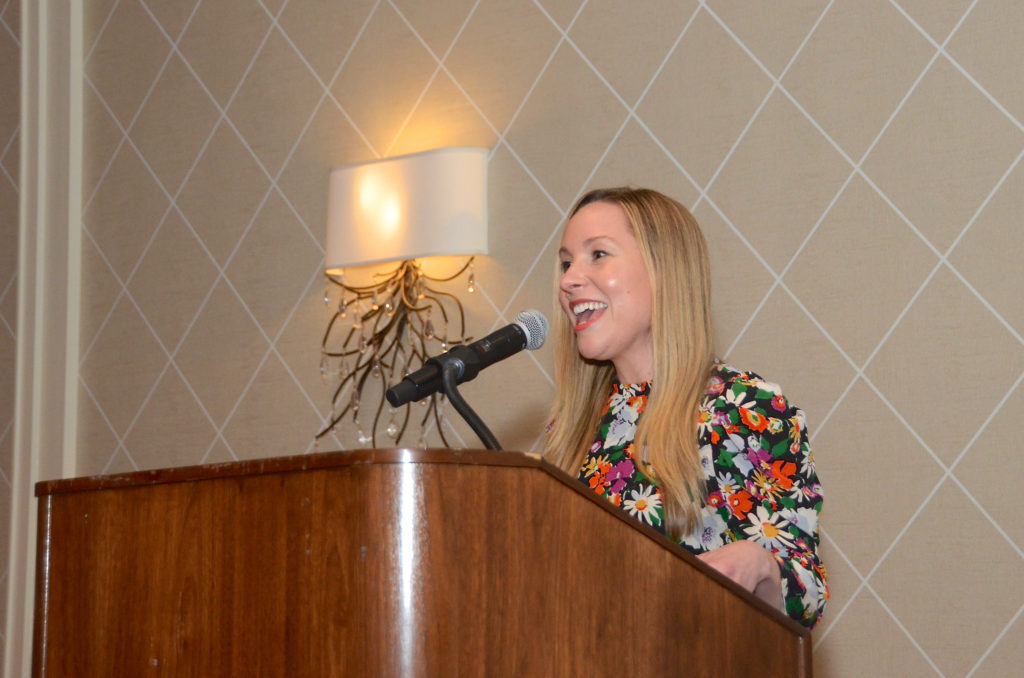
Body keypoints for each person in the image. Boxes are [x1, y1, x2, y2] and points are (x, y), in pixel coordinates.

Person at [543, 187, 828, 628]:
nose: (568, 279)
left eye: (597, 254)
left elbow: (802, 594)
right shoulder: (570, 428)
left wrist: (760, 565)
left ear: (665, 271)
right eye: (566, 262)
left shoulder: (742, 409)